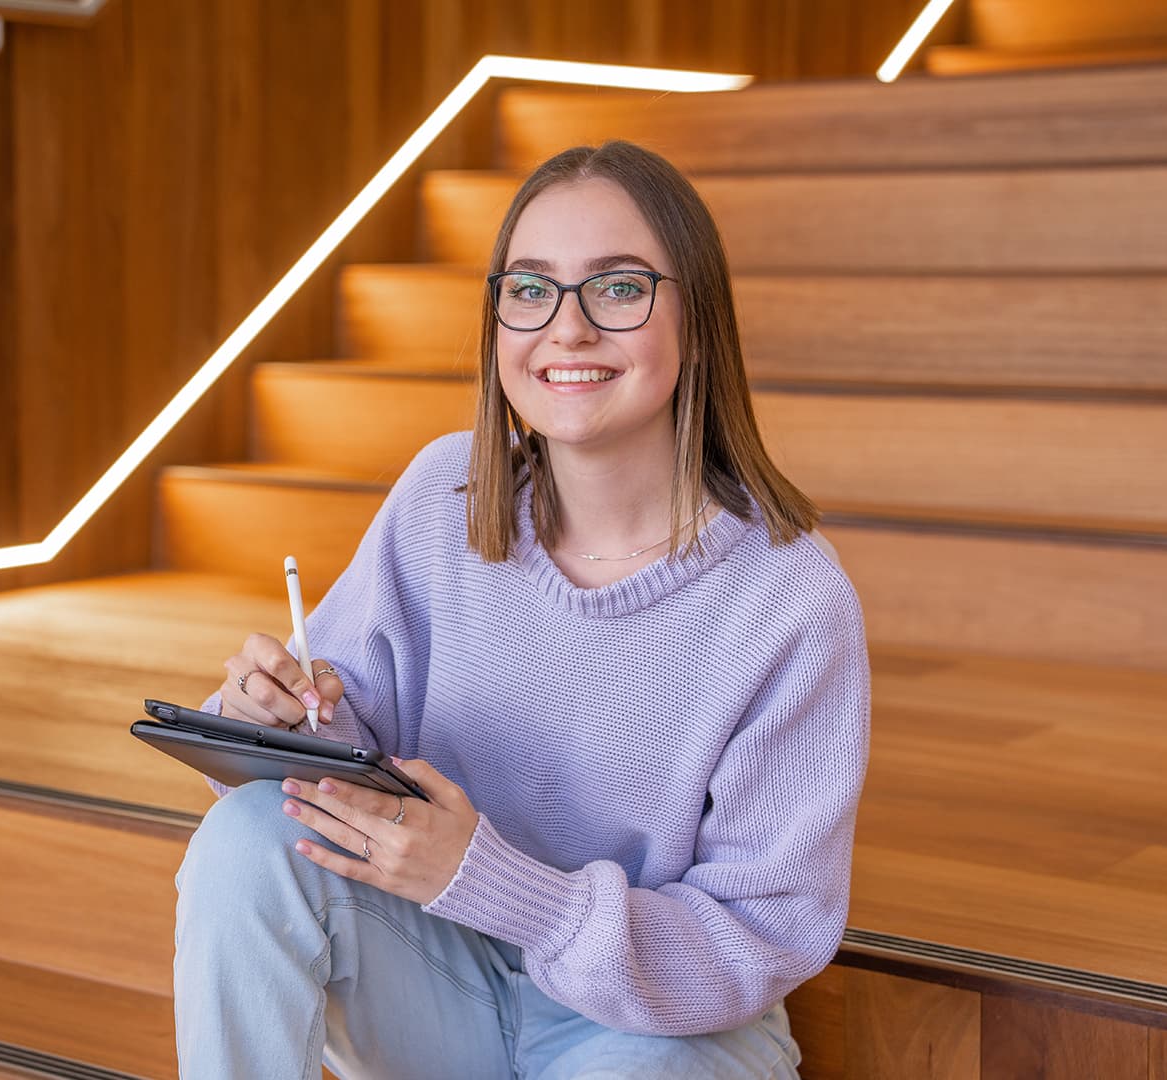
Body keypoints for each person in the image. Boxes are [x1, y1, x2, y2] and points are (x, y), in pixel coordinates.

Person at [172, 140, 870, 1080]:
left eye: (618, 288)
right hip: (436, 977)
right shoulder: (441, 495)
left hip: (661, 1033)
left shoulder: (789, 599)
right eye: (531, 289)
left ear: (697, 321)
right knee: (247, 840)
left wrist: (501, 885)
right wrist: (275, 722)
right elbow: (336, 767)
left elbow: (760, 938)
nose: (567, 330)